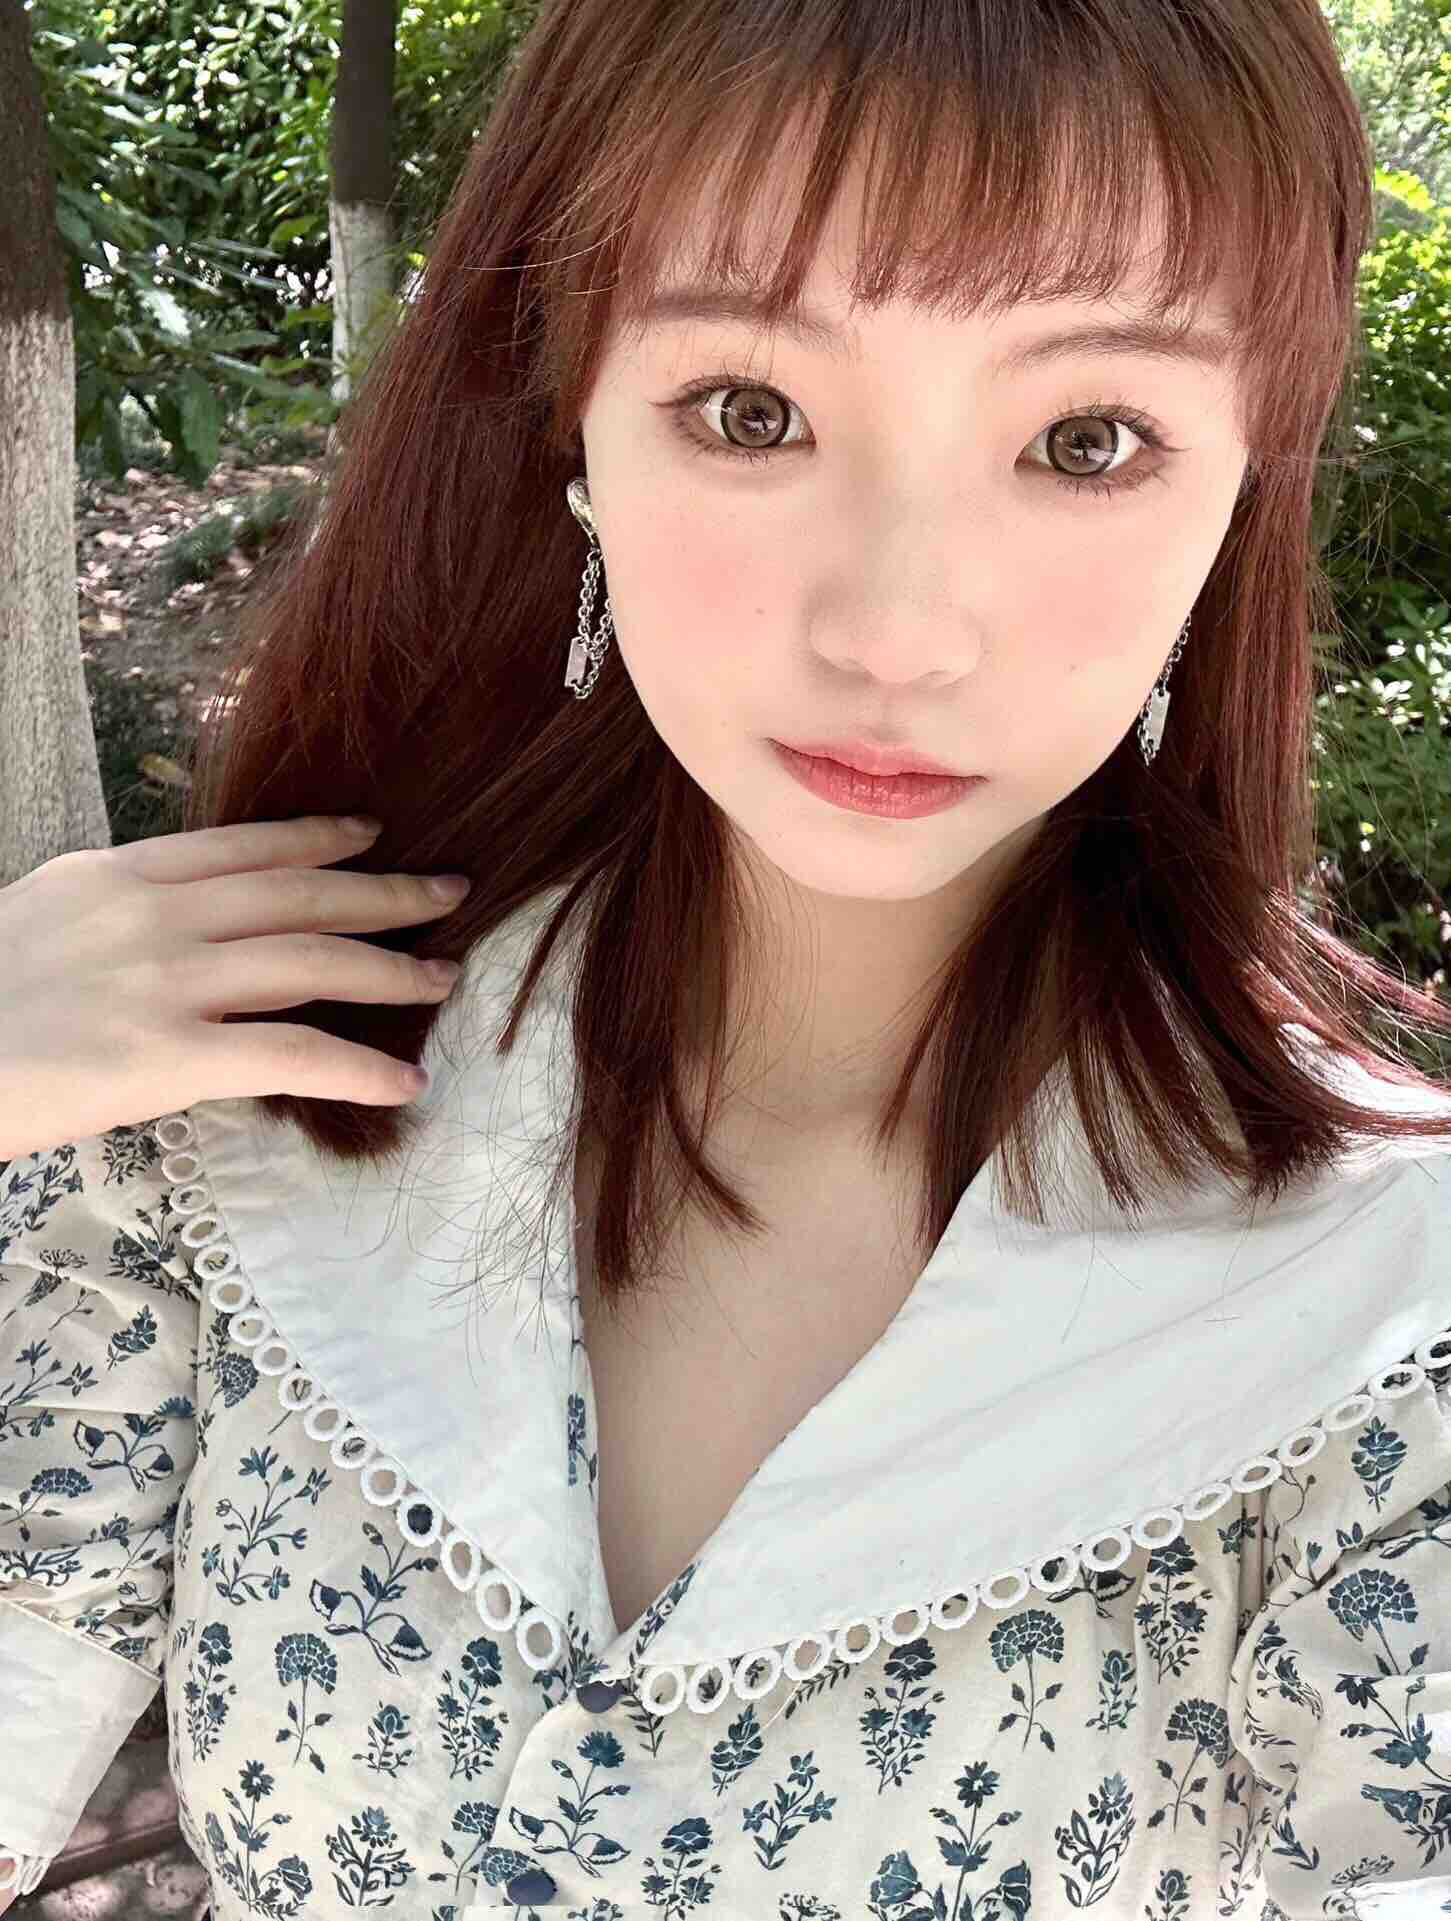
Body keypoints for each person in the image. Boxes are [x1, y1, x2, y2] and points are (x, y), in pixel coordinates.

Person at [4, 0, 1451, 1912]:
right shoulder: (223, 1104)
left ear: (1242, 485)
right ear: (575, 427)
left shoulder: (1380, 1338)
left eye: (1085, 439)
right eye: (753, 413)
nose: (898, 628)